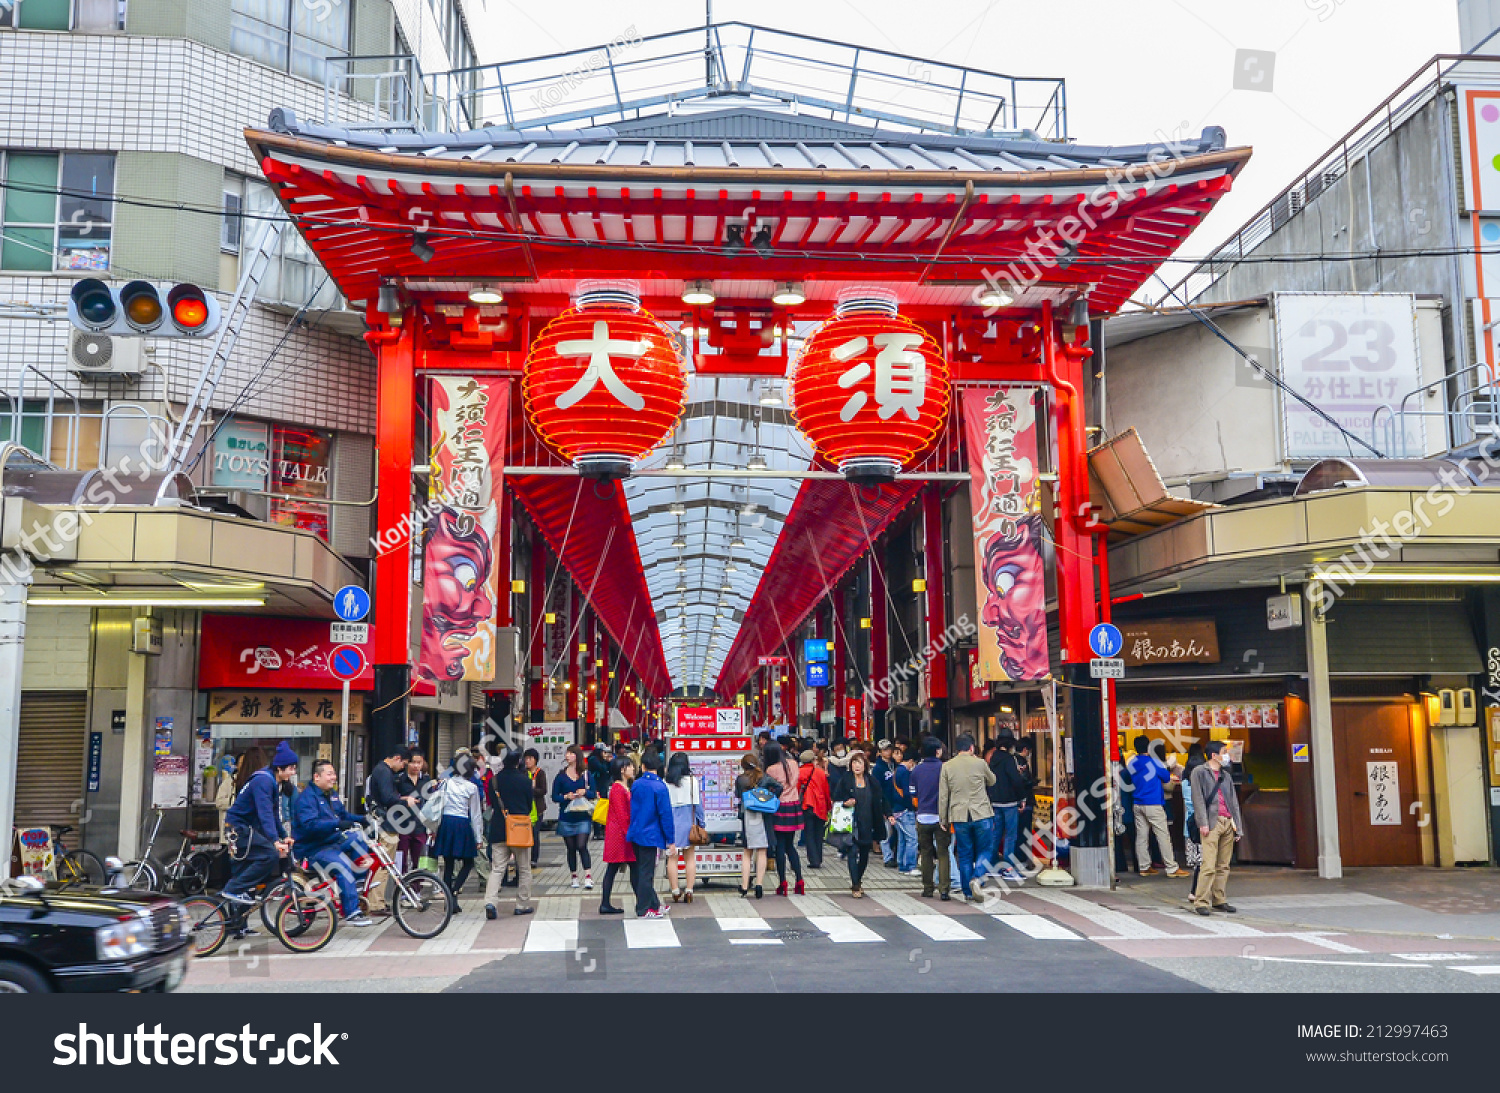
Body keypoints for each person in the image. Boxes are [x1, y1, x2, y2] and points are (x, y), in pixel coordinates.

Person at [292, 759, 376, 927]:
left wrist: (363, 820)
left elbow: (343, 816)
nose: (333, 777)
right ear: (317, 777)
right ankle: (352, 912)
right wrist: (337, 824)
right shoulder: (307, 798)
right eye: (329, 774)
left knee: (359, 838)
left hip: (332, 841)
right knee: (343, 866)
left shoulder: (331, 794)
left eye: (334, 773)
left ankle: (357, 884)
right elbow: (310, 826)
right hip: (314, 848)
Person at [221, 742, 299, 917]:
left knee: (244, 875)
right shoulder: (264, 780)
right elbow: (265, 814)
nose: (293, 772)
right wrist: (274, 841)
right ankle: (233, 890)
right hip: (238, 829)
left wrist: (284, 836)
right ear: (280, 768)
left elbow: (274, 815)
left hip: (244, 829)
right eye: (291, 768)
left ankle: (237, 925)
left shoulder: (271, 780)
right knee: (269, 855)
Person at [939, 734, 996, 901]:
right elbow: (992, 781)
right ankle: (977, 878)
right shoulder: (980, 763)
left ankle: (967, 891)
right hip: (982, 813)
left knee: (964, 853)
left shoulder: (947, 766)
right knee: (986, 849)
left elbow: (943, 796)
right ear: (972, 748)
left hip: (959, 815)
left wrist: (943, 818)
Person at [1190, 741, 1242, 916]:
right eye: (1224, 752)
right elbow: (1197, 799)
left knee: (1223, 865)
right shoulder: (1199, 772)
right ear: (1214, 755)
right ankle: (1201, 901)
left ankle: (1219, 899)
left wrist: (1238, 827)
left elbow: (1233, 802)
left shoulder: (1225, 776)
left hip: (1228, 821)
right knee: (1208, 864)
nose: (1227, 755)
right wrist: (1202, 823)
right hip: (1211, 822)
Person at [483, 750, 536, 920]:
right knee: (524, 869)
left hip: (499, 828)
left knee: (497, 869)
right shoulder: (526, 781)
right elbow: (529, 806)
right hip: (520, 829)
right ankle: (522, 904)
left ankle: (490, 902)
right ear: (518, 761)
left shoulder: (494, 781)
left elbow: (491, 803)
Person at [1128, 736, 1190, 878]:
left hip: (1137, 803)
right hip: (1153, 803)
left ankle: (1144, 867)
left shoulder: (1132, 763)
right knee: (1163, 835)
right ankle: (1172, 868)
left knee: (1142, 836)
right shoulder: (1154, 763)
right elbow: (1167, 778)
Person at [432, 749, 485, 911]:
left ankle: (450, 901)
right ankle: (454, 892)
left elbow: (437, 807)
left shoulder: (445, 783)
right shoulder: (471, 787)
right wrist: (479, 837)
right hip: (462, 824)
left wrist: (433, 829)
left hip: (446, 823)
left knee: (448, 864)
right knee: (468, 862)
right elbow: (475, 814)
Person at [364, 745, 412, 915]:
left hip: (385, 822)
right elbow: (387, 797)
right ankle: (376, 903)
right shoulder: (384, 772)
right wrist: (405, 802)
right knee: (383, 864)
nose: (403, 768)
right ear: (397, 758)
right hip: (386, 824)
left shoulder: (380, 770)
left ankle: (377, 900)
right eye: (404, 764)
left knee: (384, 863)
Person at [625, 748, 673, 918]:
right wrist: (671, 840)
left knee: (640, 871)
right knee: (647, 874)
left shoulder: (637, 784)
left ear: (643, 766)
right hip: (652, 836)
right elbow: (665, 815)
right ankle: (644, 908)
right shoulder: (660, 786)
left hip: (636, 833)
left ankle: (654, 904)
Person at [843, 750, 888, 897]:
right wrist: (846, 802)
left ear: (865, 766)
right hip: (851, 822)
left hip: (868, 822)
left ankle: (858, 879)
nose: (857, 766)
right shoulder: (846, 779)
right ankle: (855, 885)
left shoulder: (872, 781)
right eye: (854, 763)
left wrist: (889, 814)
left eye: (860, 763)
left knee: (864, 855)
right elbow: (836, 796)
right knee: (852, 852)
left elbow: (881, 799)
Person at [911, 736, 952, 899]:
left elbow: (913, 796)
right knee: (943, 853)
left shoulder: (916, 770)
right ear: (937, 751)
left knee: (926, 853)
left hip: (922, 816)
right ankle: (944, 889)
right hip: (941, 818)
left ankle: (928, 888)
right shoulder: (945, 768)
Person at [761, 742, 804, 895]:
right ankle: (799, 880)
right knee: (790, 846)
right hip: (793, 805)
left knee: (779, 846)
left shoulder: (771, 769)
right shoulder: (793, 764)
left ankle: (782, 883)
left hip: (778, 807)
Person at [552, 745, 596, 889]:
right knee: (571, 848)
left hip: (583, 815)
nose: (567, 756)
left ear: (577, 756)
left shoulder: (586, 775)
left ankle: (588, 876)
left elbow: (594, 793)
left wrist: (585, 792)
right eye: (567, 753)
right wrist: (566, 796)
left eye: (571, 753)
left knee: (582, 845)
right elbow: (554, 796)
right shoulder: (560, 776)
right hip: (566, 816)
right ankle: (574, 876)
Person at [664, 751, 705, 902]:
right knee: (690, 858)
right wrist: (702, 823)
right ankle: (689, 890)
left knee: (672, 859)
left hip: (671, 824)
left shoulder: (666, 782)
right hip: (689, 823)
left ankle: (675, 890)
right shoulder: (693, 781)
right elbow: (698, 805)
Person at [986, 733, 1027, 882]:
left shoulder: (993, 758)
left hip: (994, 802)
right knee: (1010, 835)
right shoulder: (1009, 759)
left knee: (995, 834)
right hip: (1009, 802)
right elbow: (1015, 780)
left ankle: (990, 865)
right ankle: (1008, 868)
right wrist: (1022, 798)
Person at [598, 755, 636, 915]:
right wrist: (631, 835)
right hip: (620, 836)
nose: (633, 768)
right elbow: (622, 816)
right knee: (616, 868)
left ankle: (606, 903)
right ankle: (605, 903)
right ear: (622, 770)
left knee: (616, 869)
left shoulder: (623, 787)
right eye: (630, 766)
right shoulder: (618, 789)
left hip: (622, 834)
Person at [735, 754, 770, 898]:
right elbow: (778, 786)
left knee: (747, 852)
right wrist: (771, 798)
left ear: (743, 766)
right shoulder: (764, 777)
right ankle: (759, 884)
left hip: (747, 816)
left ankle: (744, 886)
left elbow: (738, 795)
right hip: (763, 815)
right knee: (762, 850)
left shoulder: (741, 779)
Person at [395, 750, 433, 872]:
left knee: (420, 861)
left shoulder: (426, 781)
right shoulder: (399, 780)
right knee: (401, 861)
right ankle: (402, 888)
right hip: (403, 825)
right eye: (413, 762)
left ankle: (417, 889)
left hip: (420, 826)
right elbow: (393, 799)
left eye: (419, 762)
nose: (416, 766)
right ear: (407, 763)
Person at [798, 749, 831, 870]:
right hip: (820, 805)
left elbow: (797, 791)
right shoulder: (820, 772)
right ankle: (819, 857)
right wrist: (828, 806)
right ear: (813, 760)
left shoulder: (799, 772)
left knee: (809, 834)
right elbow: (826, 790)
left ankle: (813, 860)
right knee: (818, 833)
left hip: (806, 805)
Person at [1181, 741, 1207, 893]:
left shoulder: (1185, 783)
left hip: (1189, 826)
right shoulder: (1202, 784)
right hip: (1202, 825)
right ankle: (1196, 892)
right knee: (1203, 862)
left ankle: (1196, 891)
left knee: (1198, 862)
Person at [889, 745, 919, 874]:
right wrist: (912, 807)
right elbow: (907, 793)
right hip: (905, 810)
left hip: (897, 809)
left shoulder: (897, 771)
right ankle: (910, 866)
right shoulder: (905, 772)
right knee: (912, 839)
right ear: (911, 761)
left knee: (902, 839)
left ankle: (901, 863)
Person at [872, 739, 899, 866]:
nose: (888, 752)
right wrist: (881, 806)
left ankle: (895, 855)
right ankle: (888, 857)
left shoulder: (895, 764)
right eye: (884, 750)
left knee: (897, 832)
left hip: (897, 802)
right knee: (886, 832)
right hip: (885, 801)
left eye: (889, 749)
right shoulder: (878, 768)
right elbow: (877, 789)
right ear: (879, 752)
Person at [524, 748, 547, 868]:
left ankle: (534, 858)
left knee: (535, 833)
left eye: (530, 758)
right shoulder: (523, 773)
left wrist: (531, 790)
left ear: (535, 760)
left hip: (537, 808)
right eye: (526, 758)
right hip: (526, 808)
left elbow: (543, 790)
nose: (527, 761)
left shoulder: (540, 773)